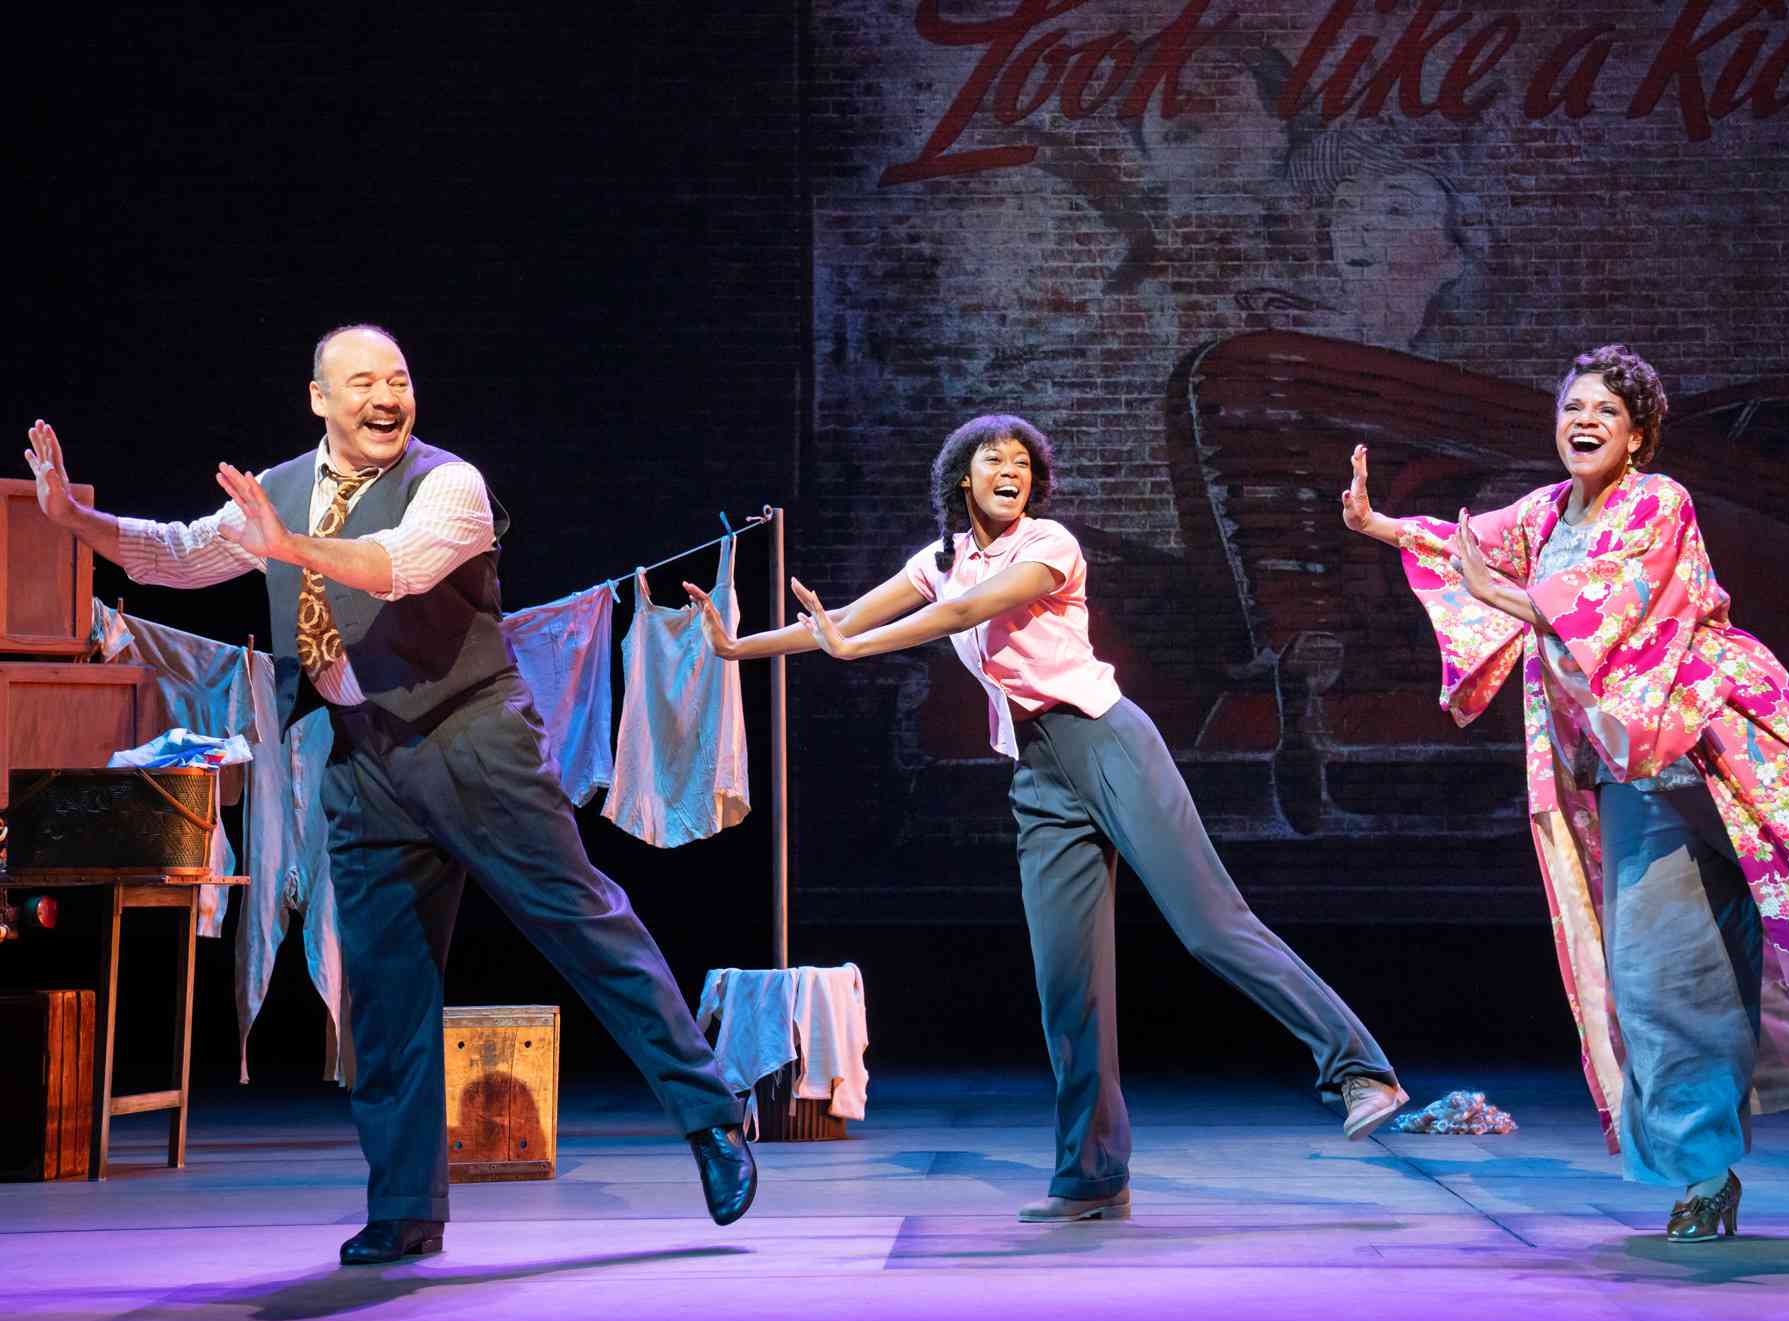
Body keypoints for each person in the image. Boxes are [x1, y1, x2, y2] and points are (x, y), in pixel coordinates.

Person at [22, 324, 756, 1264]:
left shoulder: (452, 484)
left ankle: (711, 1116)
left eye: (399, 379)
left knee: (582, 924)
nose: (386, 396)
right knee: (385, 984)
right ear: (319, 398)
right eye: (363, 381)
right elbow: (178, 552)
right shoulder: (278, 489)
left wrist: (296, 547)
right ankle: (407, 1205)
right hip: (358, 752)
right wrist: (72, 523)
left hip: (470, 733)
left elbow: (401, 564)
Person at [1341, 343, 1789, 1241]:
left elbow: (1599, 605)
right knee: (1659, 979)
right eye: (1573, 407)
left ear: (1639, 433)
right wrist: (1379, 524)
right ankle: (1703, 1175)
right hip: (1639, 778)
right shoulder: (1546, 513)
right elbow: (1466, 548)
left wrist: (1509, 594)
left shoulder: (1659, 502)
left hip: (1731, 748)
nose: (1583, 423)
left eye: (1605, 413)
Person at [683, 413, 1406, 1222]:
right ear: (964, 474)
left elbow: (962, 616)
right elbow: (843, 620)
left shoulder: (1049, 545)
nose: (1011, 471)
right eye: (996, 458)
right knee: (1068, 985)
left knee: (1209, 925)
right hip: (1037, 774)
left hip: (1105, 741)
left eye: (1023, 462)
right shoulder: (941, 560)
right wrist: (737, 650)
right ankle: (1093, 1175)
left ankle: (1359, 1067)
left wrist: (856, 650)